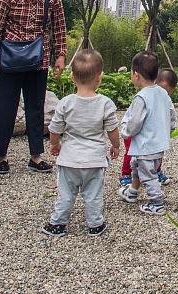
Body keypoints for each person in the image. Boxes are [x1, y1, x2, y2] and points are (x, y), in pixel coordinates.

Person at [0, 0, 68, 174]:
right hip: (9, 57)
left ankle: (36, 156)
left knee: (35, 108)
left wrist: (60, 55)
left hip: (38, 60)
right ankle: (1, 156)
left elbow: (59, 27)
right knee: (5, 108)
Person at [42, 49, 120, 237]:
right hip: (94, 160)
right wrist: (116, 146)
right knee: (93, 195)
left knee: (66, 194)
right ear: (100, 77)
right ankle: (95, 224)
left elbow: (55, 129)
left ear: (72, 77)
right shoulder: (105, 103)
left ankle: (58, 223)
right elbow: (112, 130)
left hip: (69, 160)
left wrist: (55, 144)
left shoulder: (65, 103)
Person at [117, 51, 175, 215]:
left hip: (145, 145)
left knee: (148, 174)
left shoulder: (141, 98)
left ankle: (156, 203)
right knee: (136, 166)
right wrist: (168, 131)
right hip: (158, 144)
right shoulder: (163, 93)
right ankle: (132, 192)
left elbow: (135, 122)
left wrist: (125, 131)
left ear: (136, 75)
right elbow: (171, 114)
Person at [119, 68, 177, 189]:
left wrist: (169, 130)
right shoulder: (142, 97)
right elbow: (134, 119)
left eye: (165, 91)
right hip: (137, 133)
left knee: (156, 153)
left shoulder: (165, 98)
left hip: (153, 133)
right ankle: (126, 174)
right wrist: (127, 131)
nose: (162, 93)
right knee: (132, 156)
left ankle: (155, 171)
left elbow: (171, 116)